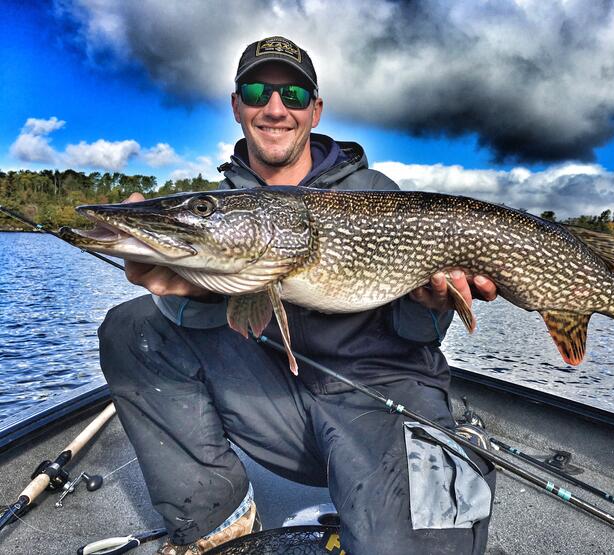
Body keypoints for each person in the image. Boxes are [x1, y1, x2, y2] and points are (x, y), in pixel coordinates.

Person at [99, 36, 498, 555]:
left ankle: (443, 436)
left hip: (379, 400)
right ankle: (218, 521)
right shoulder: (224, 207)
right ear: (237, 105)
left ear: (315, 109)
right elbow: (205, 322)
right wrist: (192, 288)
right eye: (258, 90)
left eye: (292, 95)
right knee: (134, 328)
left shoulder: (376, 193)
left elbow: (418, 336)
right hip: (270, 403)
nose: (274, 108)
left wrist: (433, 306)